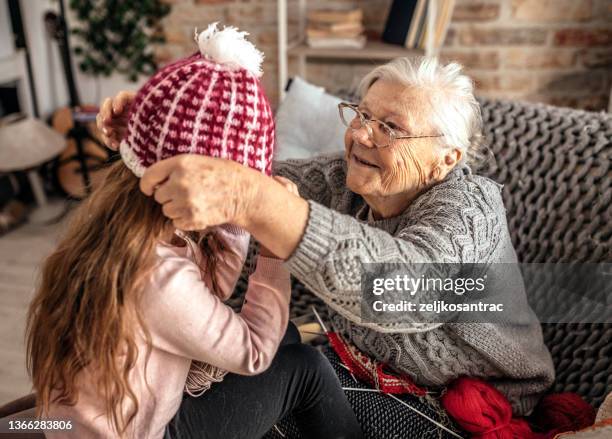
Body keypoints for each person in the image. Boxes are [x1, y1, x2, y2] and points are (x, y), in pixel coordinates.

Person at [98, 55, 555, 417]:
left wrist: (260, 204)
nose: (360, 135)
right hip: (367, 368)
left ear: (446, 159)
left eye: (390, 127)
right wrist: (146, 137)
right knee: (249, 378)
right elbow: (234, 176)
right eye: (361, 114)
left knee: (280, 398)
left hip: (472, 403)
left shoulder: (471, 209)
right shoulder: (339, 180)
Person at [27, 24, 362, 439]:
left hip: (100, 415)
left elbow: (213, 289)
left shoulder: (120, 230)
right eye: (234, 185)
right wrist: (273, 246)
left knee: (289, 336)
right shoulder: (159, 278)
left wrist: (241, 210)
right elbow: (254, 352)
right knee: (305, 368)